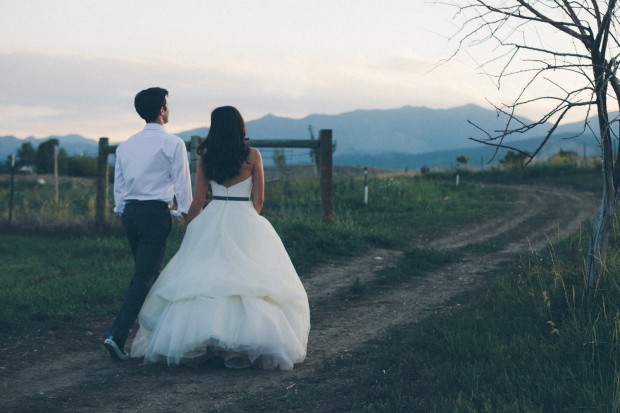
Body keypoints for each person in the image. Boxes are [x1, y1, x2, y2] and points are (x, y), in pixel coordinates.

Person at [130, 106, 310, 370]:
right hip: (244, 214)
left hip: (213, 215)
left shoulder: (206, 156)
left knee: (207, 277)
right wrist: (248, 222)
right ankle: (243, 340)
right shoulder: (252, 156)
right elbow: (258, 199)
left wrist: (190, 225)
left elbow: (199, 199)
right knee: (245, 278)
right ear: (240, 125)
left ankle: (204, 338)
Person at [104, 87, 193, 361]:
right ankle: (116, 336)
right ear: (162, 110)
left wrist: (122, 210)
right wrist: (186, 214)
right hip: (155, 213)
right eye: (167, 105)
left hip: (130, 212)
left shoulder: (125, 146)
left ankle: (158, 331)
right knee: (144, 277)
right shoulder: (173, 144)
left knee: (150, 274)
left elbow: (118, 186)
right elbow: (182, 184)